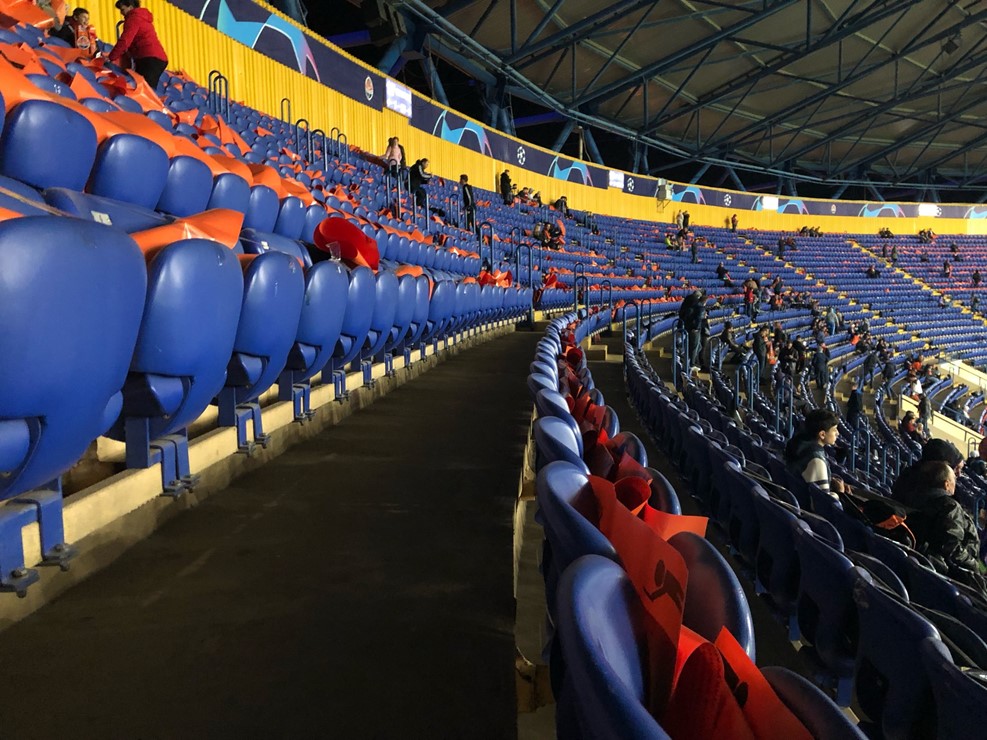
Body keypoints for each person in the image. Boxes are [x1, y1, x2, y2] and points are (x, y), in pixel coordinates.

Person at [896, 461, 984, 581]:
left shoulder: (912, 499)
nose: (956, 483)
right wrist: (975, 568)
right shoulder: (950, 506)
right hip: (950, 574)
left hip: (924, 566)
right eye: (954, 479)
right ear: (946, 484)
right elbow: (951, 547)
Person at [108, 0, 169, 91]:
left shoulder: (133, 18)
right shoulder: (141, 17)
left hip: (149, 58)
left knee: (144, 91)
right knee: (146, 89)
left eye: (123, 9)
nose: (121, 13)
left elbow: (125, 41)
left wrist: (111, 57)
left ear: (130, 7)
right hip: (154, 58)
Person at [784, 408, 841, 496]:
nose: (837, 433)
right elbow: (824, 501)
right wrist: (839, 492)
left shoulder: (797, 444)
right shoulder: (816, 460)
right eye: (835, 429)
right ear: (822, 434)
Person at [678, 289, 707, 371]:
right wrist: (696, 328)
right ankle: (691, 364)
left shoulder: (689, 304)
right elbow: (698, 318)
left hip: (689, 326)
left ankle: (690, 361)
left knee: (698, 346)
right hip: (694, 328)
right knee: (694, 346)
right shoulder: (698, 306)